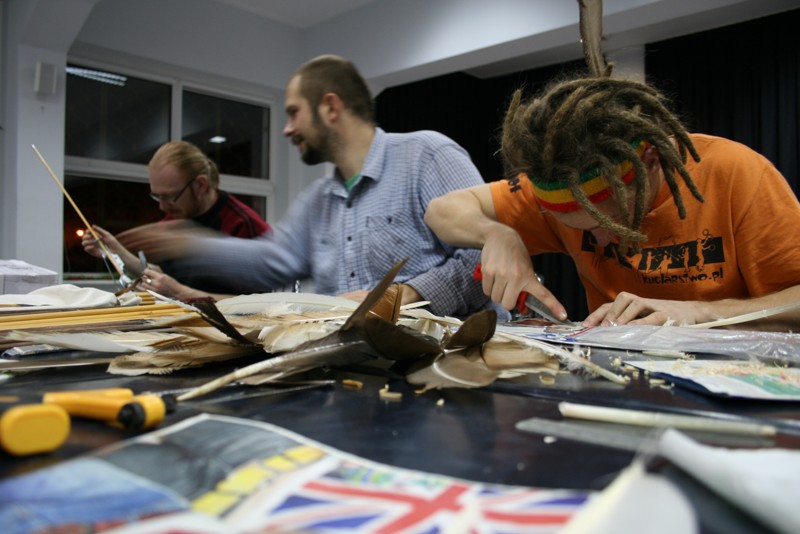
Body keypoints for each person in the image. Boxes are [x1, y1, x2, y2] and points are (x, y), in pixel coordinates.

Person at [118, 55, 490, 318]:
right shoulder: (317, 201)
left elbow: (484, 257)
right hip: (359, 369)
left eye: (294, 112)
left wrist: (401, 295)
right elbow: (270, 262)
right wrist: (189, 243)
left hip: (450, 367)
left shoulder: (425, 155)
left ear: (330, 107)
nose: (287, 129)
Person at [424, 73, 800, 331]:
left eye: (610, 221)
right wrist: (497, 235)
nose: (604, 241)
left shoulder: (735, 174)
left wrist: (699, 312)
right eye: (582, 229)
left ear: (650, 162)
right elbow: (441, 211)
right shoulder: (566, 183)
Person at [83, 140, 270, 300]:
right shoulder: (174, 217)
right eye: (157, 197)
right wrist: (115, 250)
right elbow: (158, 275)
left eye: (169, 197)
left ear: (200, 185)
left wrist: (179, 292)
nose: (162, 207)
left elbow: (260, 305)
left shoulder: (244, 225)